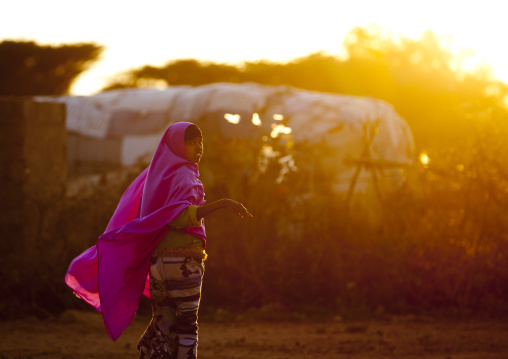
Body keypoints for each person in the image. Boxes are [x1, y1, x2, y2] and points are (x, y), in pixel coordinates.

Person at [65, 122, 252, 359]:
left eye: (200, 142)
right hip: (184, 262)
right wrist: (223, 204)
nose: (198, 147)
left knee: (165, 326)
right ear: (177, 145)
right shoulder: (185, 175)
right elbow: (182, 215)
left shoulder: (159, 175)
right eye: (191, 142)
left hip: (158, 265)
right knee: (187, 328)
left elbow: (164, 215)